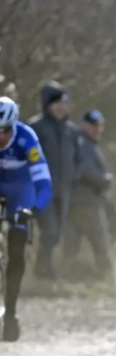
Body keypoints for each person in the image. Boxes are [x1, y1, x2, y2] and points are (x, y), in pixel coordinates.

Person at [0, 97, 53, 341]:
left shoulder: (27, 138)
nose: (1, 137)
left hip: (21, 191)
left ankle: (10, 313)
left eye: (6, 131)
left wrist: (34, 209)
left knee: (17, 248)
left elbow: (44, 183)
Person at [27, 81, 83, 281]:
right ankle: (43, 272)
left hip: (64, 190)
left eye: (64, 102)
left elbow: (78, 158)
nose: (61, 107)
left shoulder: (72, 131)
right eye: (56, 102)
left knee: (56, 233)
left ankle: (42, 269)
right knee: (49, 230)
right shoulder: (35, 128)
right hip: (41, 190)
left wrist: (74, 178)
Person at [64, 109, 116, 280]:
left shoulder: (81, 142)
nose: (97, 129)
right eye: (93, 125)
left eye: (99, 125)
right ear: (84, 125)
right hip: (86, 201)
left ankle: (67, 278)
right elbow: (87, 171)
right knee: (100, 242)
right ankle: (108, 280)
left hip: (75, 200)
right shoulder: (84, 143)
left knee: (71, 244)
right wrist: (105, 180)